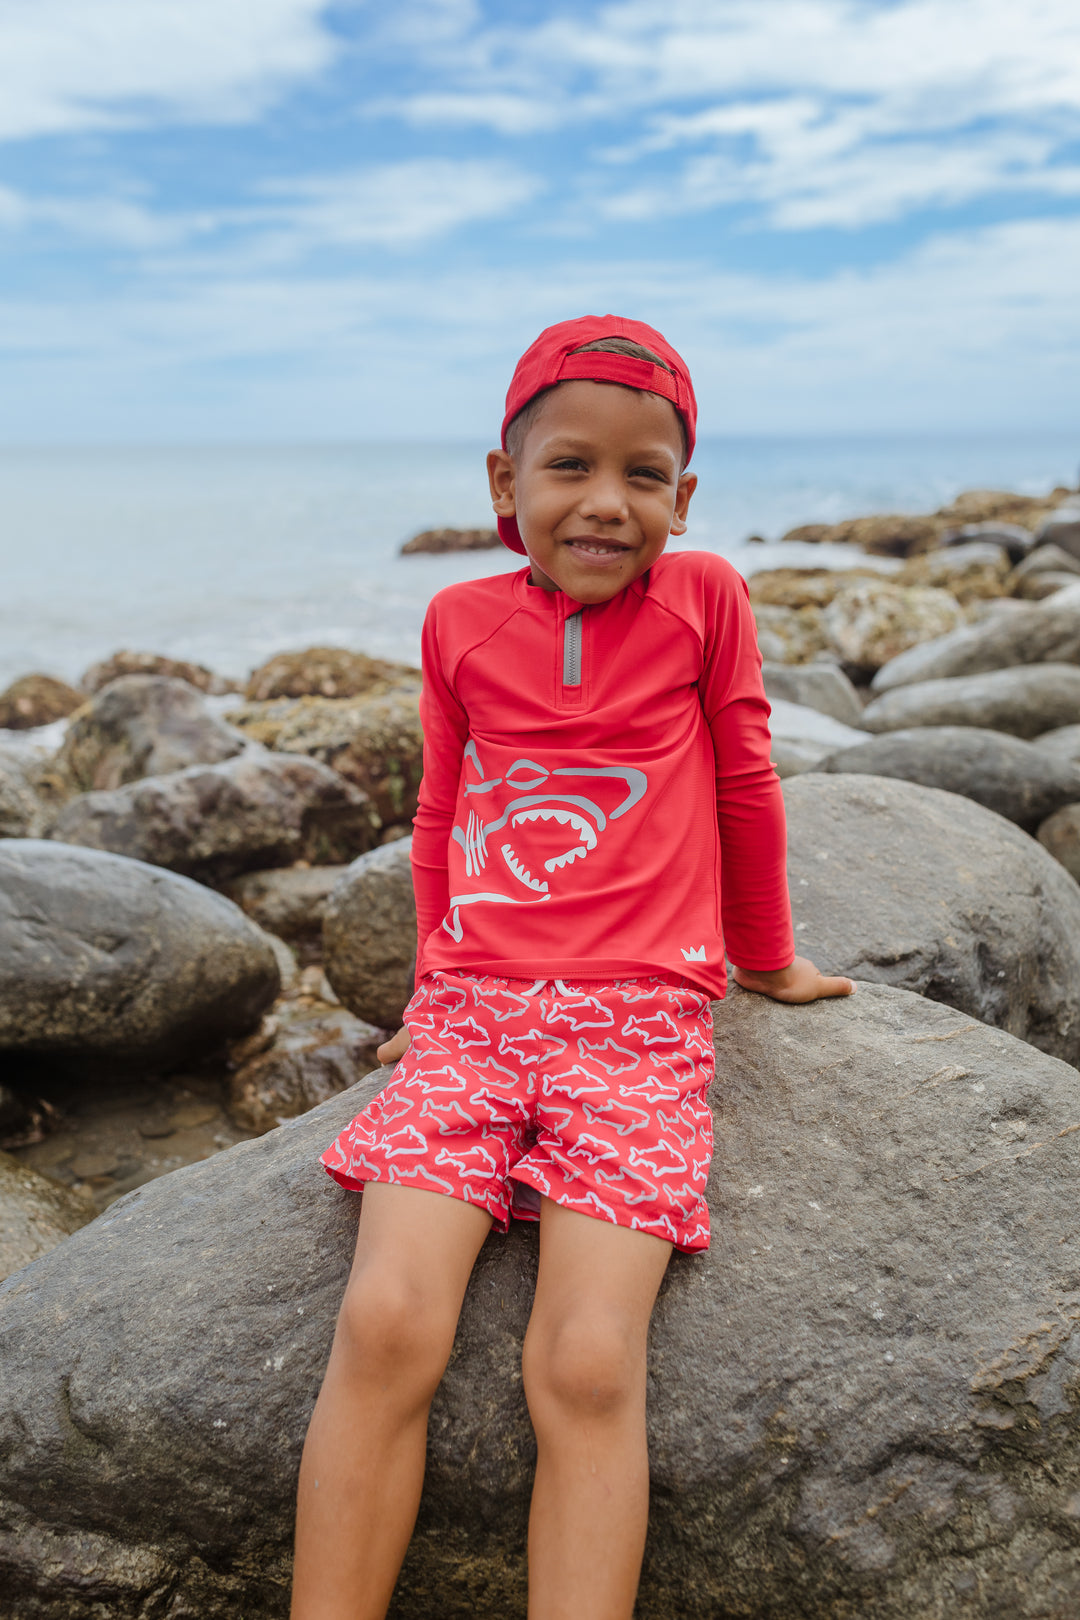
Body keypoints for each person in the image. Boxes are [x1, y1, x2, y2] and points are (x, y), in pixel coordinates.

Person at [290, 314, 854, 1620]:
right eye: (569, 468)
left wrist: (765, 963)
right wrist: (429, 990)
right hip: (476, 1015)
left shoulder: (707, 599)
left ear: (684, 496)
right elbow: (439, 814)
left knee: (591, 1364)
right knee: (384, 1322)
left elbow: (745, 780)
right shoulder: (456, 621)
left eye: (643, 475)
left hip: (640, 1022)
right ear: (504, 482)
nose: (606, 504)